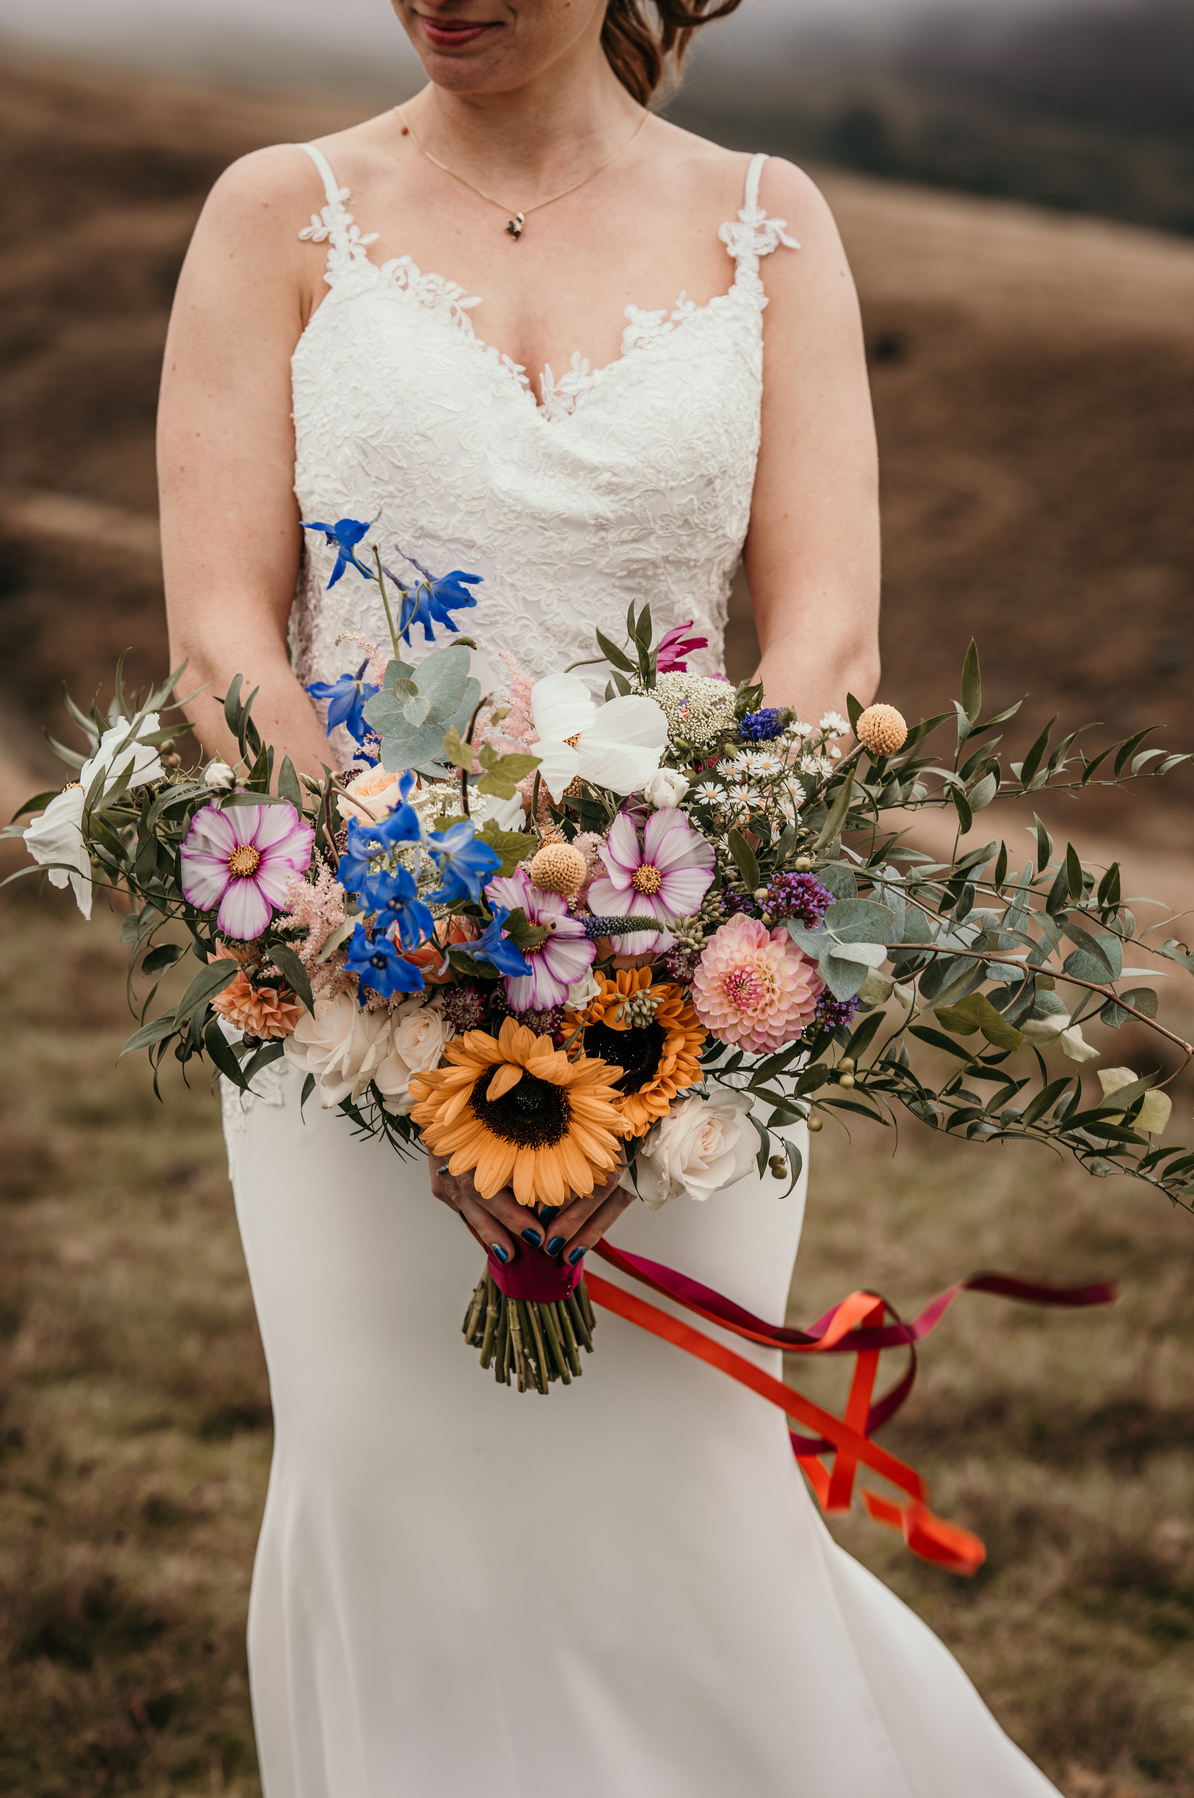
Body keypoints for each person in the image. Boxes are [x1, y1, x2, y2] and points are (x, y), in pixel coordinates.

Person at [158, 1, 1059, 1792]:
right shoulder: (276, 212)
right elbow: (220, 635)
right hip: (350, 1006)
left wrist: (642, 968)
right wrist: (411, 945)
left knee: (678, 1533)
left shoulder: (770, 226)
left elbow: (829, 636)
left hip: (690, 1004)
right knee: (402, 1519)